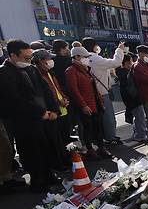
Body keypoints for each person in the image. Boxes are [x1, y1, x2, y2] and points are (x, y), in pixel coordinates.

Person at [0, 40, 61, 191]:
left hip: (44, 116)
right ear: (13, 55)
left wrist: (53, 109)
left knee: (45, 146)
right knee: (31, 150)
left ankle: (48, 174)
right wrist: (40, 112)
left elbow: (46, 89)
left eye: (30, 57)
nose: (29, 61)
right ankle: (37, 179)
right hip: (23, 119)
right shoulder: (4, 73)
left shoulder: (31, 69)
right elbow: (15, 99)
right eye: (25, 58)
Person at [66, 46, 111, 161]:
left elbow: (92, 86)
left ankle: (101, 148)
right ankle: (90, 150)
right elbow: (73, 90)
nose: (87, 59)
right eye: (85, 57)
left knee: (97, 127)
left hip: (94, 103)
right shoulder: (71, 71)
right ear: (77, 57)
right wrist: (83, 105)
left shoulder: (85, 69)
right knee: (87, 128)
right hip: (85, 105)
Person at [81, 37, 124, 145]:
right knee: (108, 117)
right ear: (93, 46)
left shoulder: (84, 59)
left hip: (92, 93)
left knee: (99, 119)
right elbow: (116, 62)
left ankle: (103, 138)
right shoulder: (95, 58)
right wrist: (119, 50)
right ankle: (110, 137)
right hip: (102, 92)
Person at [33, 49, 68, 170]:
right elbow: (44, 95)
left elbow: (56, 89)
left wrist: (64, 98)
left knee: (60, 137)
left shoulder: (49, 72)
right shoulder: (37, 75)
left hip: (59, 109)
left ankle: (64, 159)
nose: (51, 61)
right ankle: (58, 163)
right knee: (53, 139)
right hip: (49, 111)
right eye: (48, 59)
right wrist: (52, 108)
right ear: (40, 61)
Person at [116, 53, 148, 142]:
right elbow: (132, 88)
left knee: (137, 117)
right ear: (126, 63)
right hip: (134, 100)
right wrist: (138, 97)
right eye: (130, 61)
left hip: (129, 100)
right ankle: (140, 136)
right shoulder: (127, 74)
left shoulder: (121, 72)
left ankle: (137, 133)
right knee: (140, 118)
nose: (132, 63)